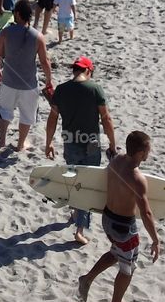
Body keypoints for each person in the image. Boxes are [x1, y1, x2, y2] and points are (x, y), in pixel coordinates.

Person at [77, 130, 160, 302]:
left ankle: (87, 279)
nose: (149, 153)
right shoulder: (137, 179)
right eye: (148, 150)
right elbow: (146, 213)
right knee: (127, 268)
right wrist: (155, 239)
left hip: (107, 219)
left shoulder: (116, 161)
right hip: (124, 227)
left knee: (116, 251)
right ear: (140, 153)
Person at [44, 55, 117, 245]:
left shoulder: (61, 90)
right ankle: (79, 229)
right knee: (87, 184)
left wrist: (48, 142)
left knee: (75, 179)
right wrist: (112, 142)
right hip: (91, 143)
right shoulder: (95, 89)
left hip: (70, 142)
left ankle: (76, 211)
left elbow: (52, 119)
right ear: (87, 70)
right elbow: (106, 119)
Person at [0, 0, 54, 153]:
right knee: (27, 115)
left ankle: (1, 140)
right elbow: (45, 62)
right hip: (29, 84)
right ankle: (20, 144)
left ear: (18, 14)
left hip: (8, 81)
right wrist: (49, 79)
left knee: (5, 110)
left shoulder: (6, 32)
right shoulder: (38, 36)